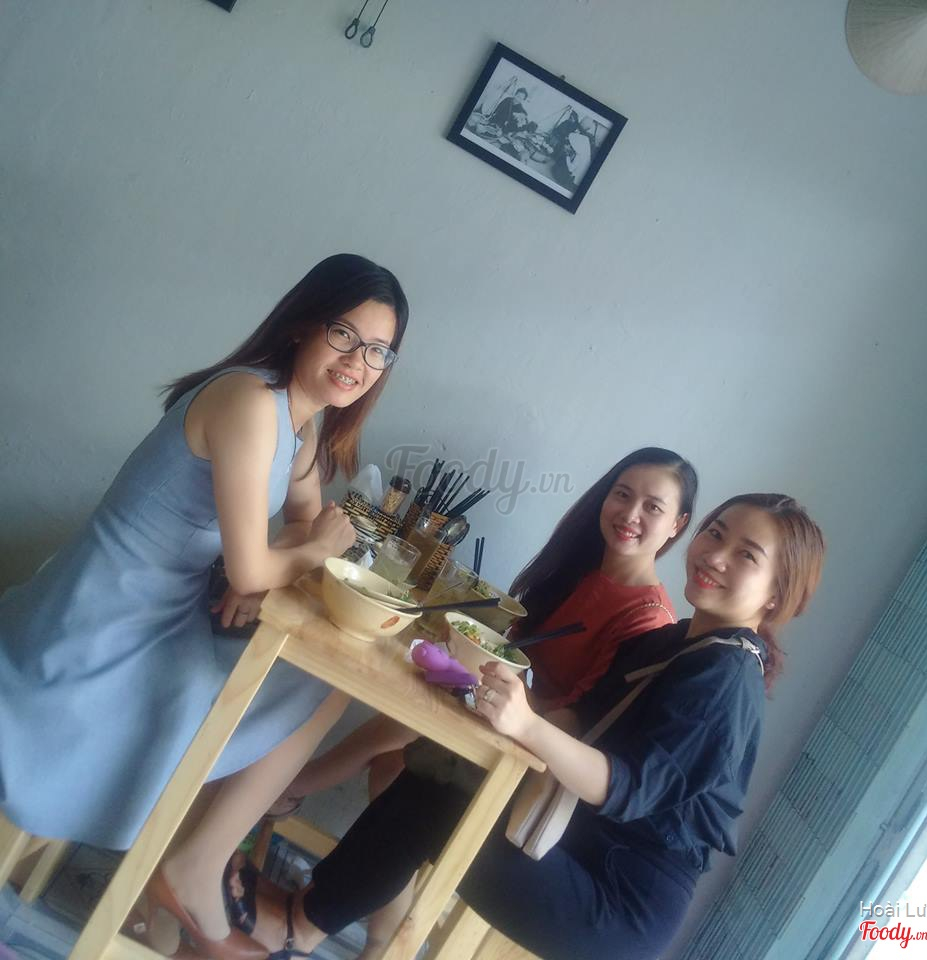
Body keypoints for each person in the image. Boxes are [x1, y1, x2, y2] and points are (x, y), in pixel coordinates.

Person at [0, 253, 409, 959]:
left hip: (167, 610)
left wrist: (279, 567)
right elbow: (276, 554)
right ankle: (190, 869)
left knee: (319, 683)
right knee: (302, 685)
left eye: (378, 350)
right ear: (304, 324)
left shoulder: (302, 425)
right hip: (103, 617)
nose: (358, 361)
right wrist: (290, 561)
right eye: (344, 334)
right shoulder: (249, 401)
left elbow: (298, 527)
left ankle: (197, 864)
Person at [233, 493, 825, 960]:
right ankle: (306, 913)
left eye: (747, 555)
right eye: (717, 534)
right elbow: (579, 717)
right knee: (436, 772)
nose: (716, 556)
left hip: (613, 903)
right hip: (574, 839)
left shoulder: (726, 678)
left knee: (439, 804)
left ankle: (298, 926)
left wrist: (524, 724)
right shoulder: (678, 641)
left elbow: (622, 786)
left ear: (777, 596)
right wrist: (487, 691)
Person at [258, 448, 697, 956]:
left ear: (677, 526)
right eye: (622, 494)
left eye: (652, 506)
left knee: (411, 747)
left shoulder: (647, 619)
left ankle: (288, 802)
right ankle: (375, 940)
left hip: (533, 758)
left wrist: (495, 685)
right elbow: (519, 648)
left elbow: (579, 723)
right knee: (394, 760)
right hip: (503, 715)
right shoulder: (583, 569)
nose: (630, 513)